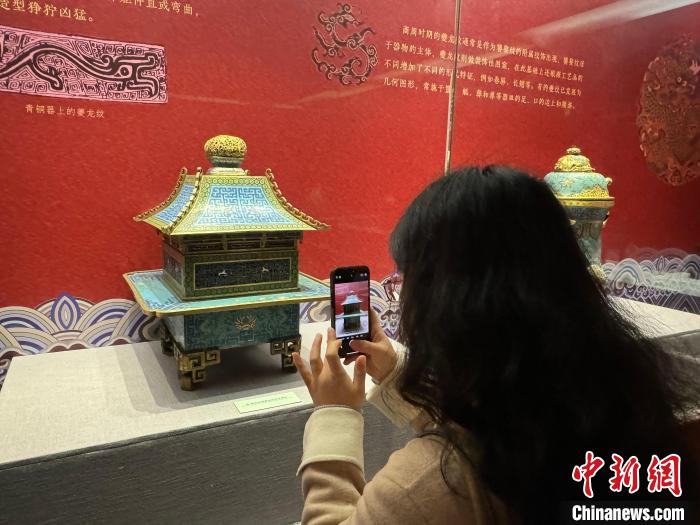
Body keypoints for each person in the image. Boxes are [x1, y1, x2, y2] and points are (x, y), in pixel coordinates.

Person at [291, 165, 699, 524]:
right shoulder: (616, 399)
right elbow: (491, 427)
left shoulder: (426, 486)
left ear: (445, 304)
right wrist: (397, 372)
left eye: (407, 277)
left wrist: (335, 413)